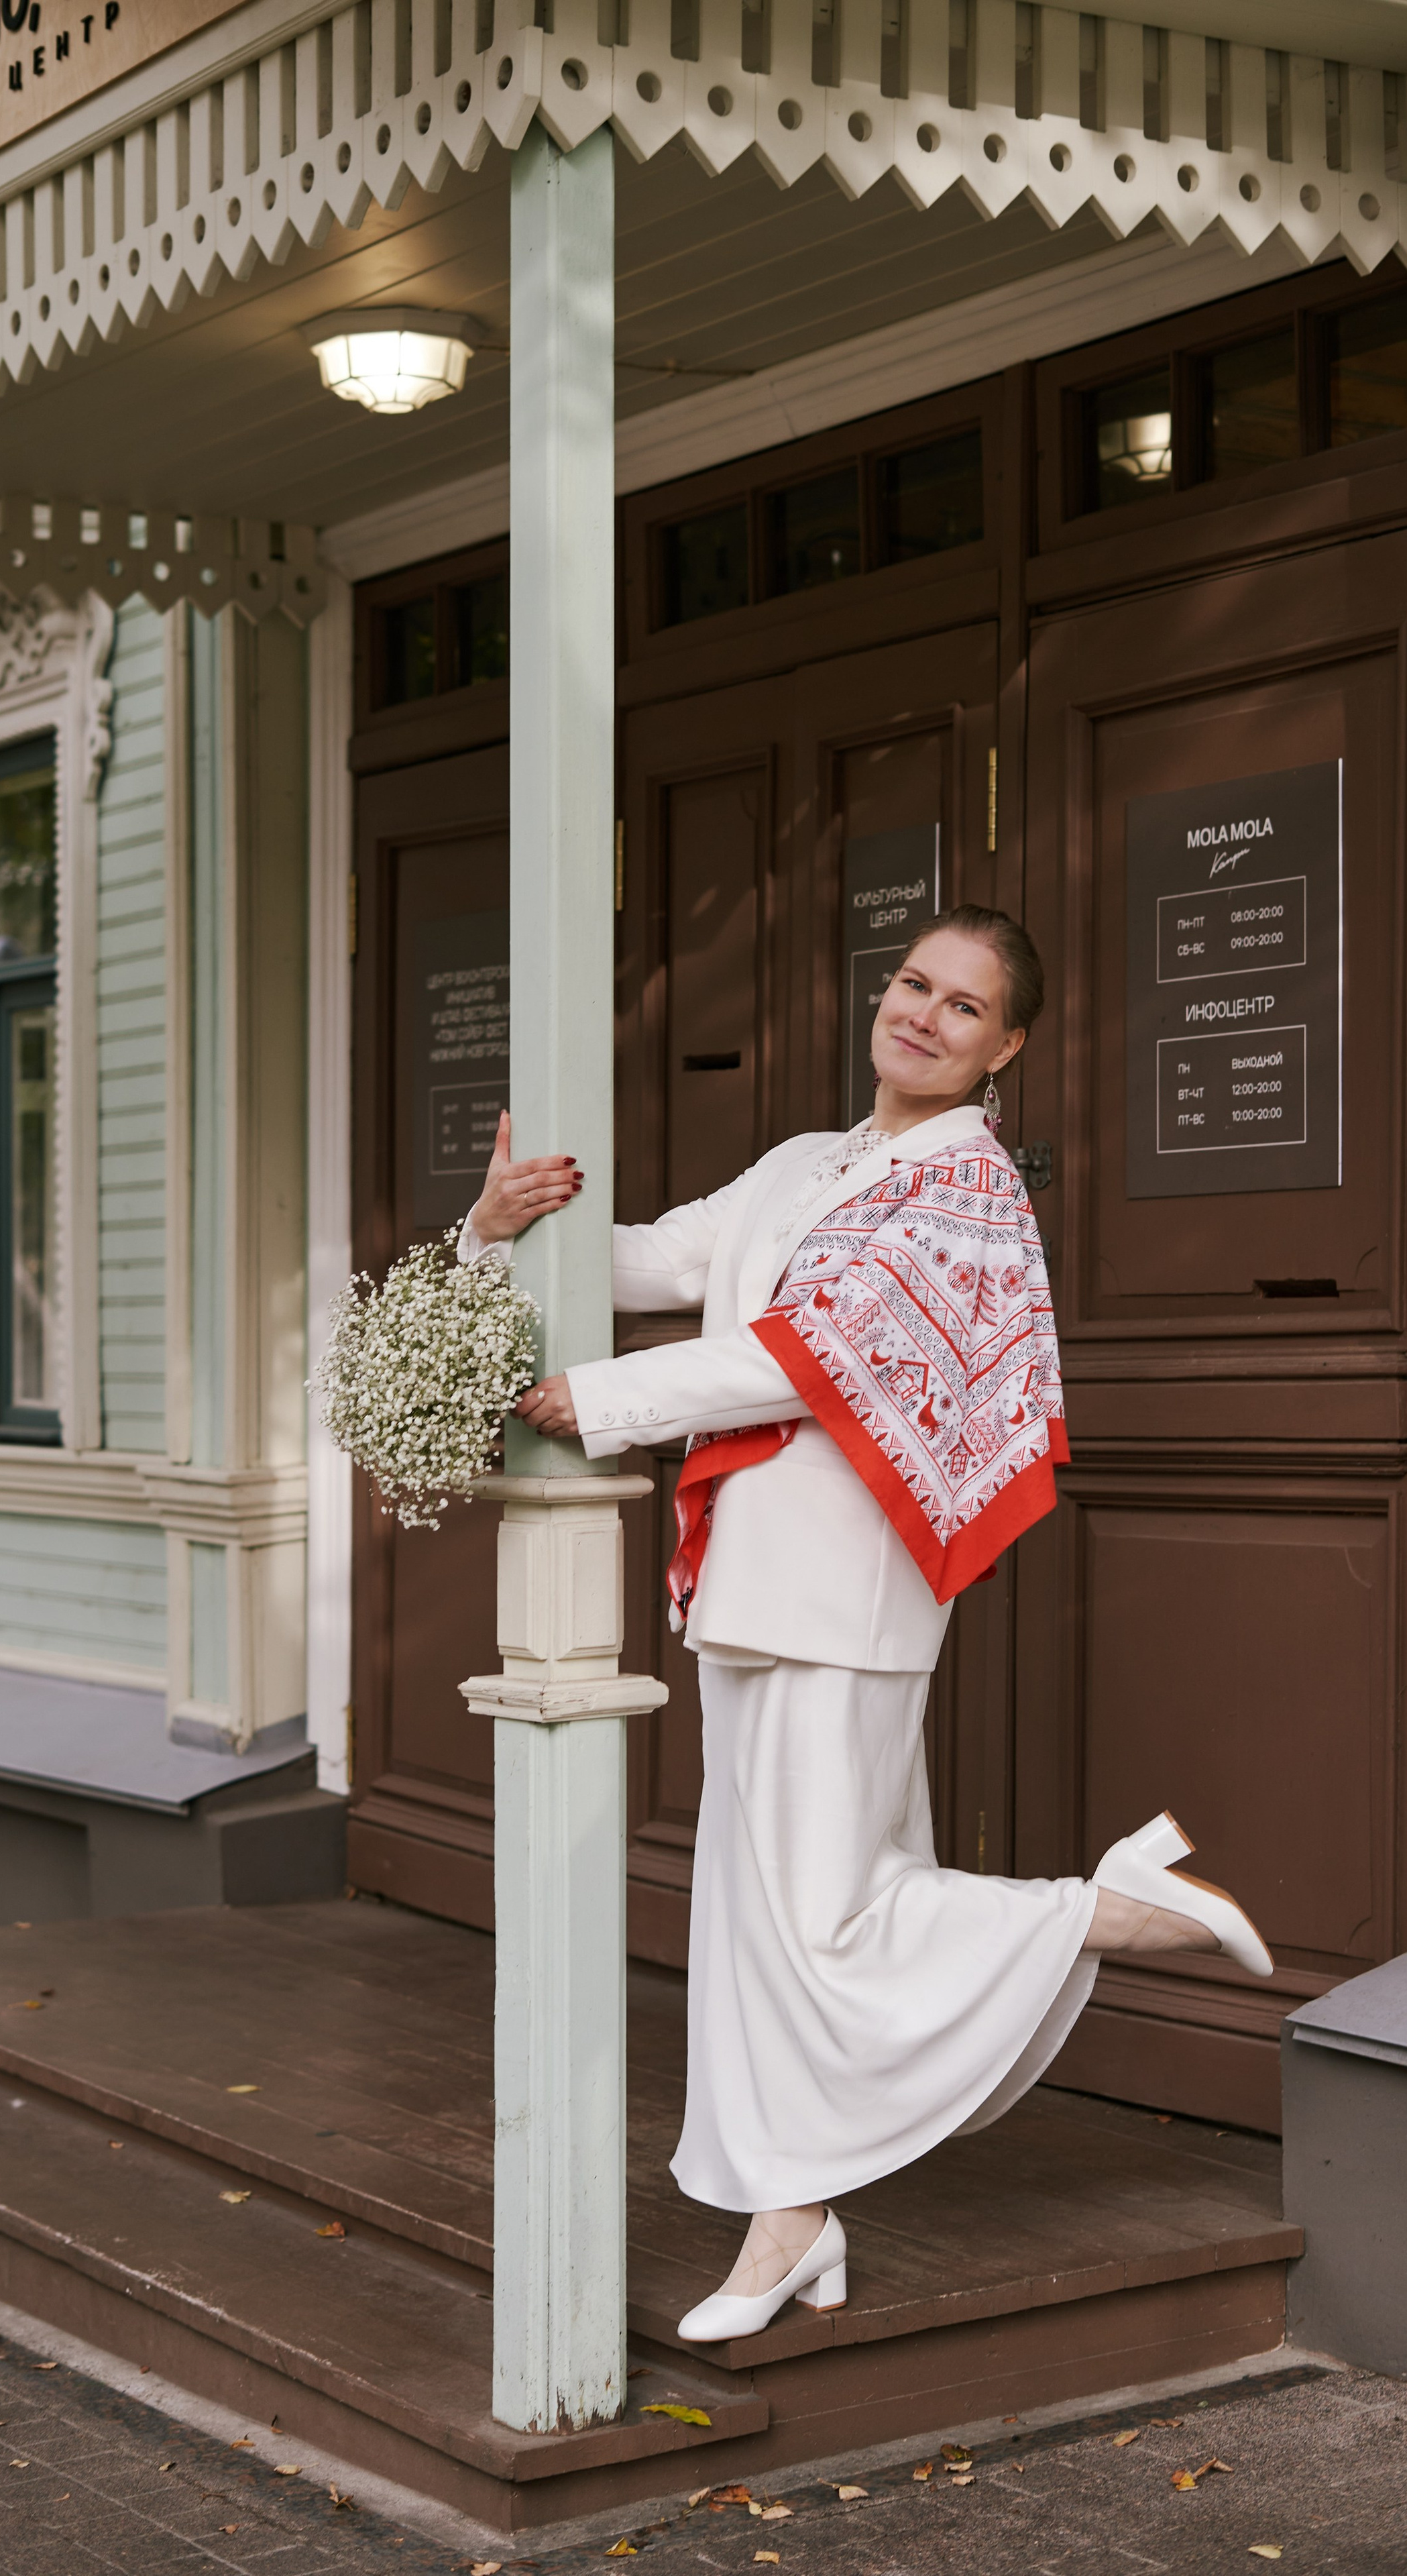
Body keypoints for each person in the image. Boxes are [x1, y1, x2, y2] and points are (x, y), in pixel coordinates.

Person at [462, 904, 1272, 2343]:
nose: (923, 1014)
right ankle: (797, 2218)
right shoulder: (805, 1164)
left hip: (842, 1591)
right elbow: (653, 1264)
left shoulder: (964, 1185)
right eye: (913, 984)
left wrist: (604, 1403)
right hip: (748, 1589)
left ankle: (1115, 1910)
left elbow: (805, 1353)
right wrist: (499, 1223)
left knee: (821, 1915)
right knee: (764, 1922)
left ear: (1003, 1046)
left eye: (963, 1007)